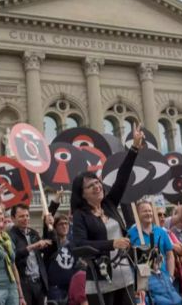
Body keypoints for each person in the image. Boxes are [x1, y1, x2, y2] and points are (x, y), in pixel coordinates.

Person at [71, 124, 145, 305]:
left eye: (97, 183)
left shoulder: (110, 204)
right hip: (100, 280)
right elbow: (79, 244)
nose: (97, 186)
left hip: (125, 276)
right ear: (82, 194)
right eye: (90, 186)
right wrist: (112, 243)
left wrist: (134, 148)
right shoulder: (81, 215)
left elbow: (122, 177)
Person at [10, 204, 51, 305]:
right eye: (21, 216)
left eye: (27, 216)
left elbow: (50, 249)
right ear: (13, 218)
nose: (25, 219)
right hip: (23, 285)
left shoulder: (33, 233)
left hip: (39, 284)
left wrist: (49, 227)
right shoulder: (10, 235)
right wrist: (32, 247)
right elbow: (12, 256)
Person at [43, 213, 76, 303]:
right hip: (55, 289)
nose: (64, 226)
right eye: (61, 224)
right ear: (55, 227)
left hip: (71, 287)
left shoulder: (73, 245)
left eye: (66, 223)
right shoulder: (50, 244)